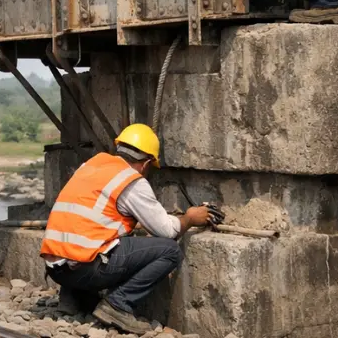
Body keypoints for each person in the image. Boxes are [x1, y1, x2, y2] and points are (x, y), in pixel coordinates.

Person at [41, 124, 215, 335]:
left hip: (57, 270)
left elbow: (89, 220)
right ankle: (117, 305)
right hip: (84, 270)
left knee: (92, 243)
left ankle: (72, 298)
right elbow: (168, 231)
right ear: (147, 163)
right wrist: (189, 218)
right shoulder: (131, 181)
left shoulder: (91, 165)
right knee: (170, 250)